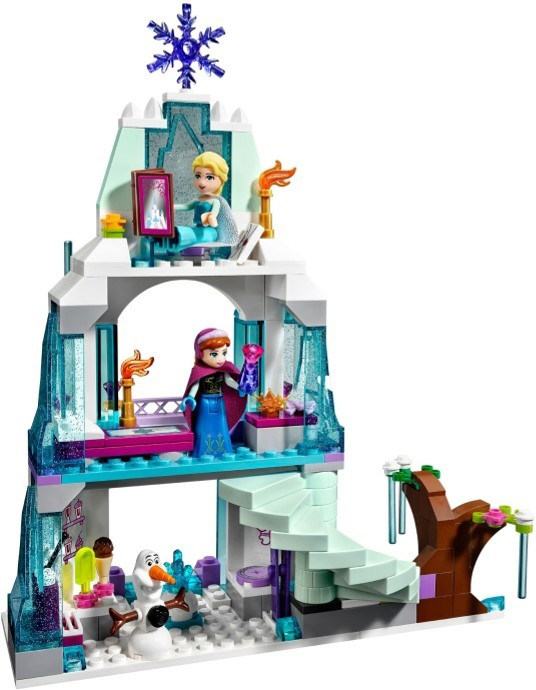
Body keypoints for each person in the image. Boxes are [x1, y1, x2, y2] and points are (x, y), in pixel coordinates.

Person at [180, 328, 247, 457]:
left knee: (221, 424)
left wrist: (239, 387)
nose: (221, 358)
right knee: (204, 426)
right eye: (214, 354)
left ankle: (223, 450)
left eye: (224, 353)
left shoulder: (224, 369)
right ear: (201, 354)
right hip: (205, 402)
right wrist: (190, 397)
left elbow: (229, 381)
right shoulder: (199, 370)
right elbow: (195, 385)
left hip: (219, 401)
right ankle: (202, 451)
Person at [174, 151, 239, 250]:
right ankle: (172, 240)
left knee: (188, 234)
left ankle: (177, 238)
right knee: (186, 231)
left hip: (209, 232)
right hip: (197, 228)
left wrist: (211, 218)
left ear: (221, 179)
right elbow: (186, 206)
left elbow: (213, 215)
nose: (202, 182)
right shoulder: (198, 199)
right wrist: (172, 206)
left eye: (209, 177)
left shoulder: (215, 201)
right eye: (198, 176)